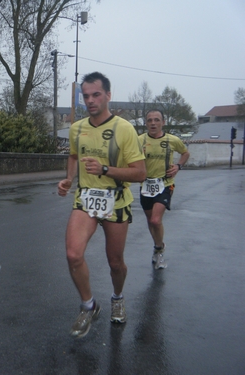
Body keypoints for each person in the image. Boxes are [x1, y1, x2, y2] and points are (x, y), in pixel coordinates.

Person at [57, 72, 146, 338]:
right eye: (86, 96)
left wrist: (105, 168)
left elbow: (140, 173)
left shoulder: (124, 128)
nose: (91, 100)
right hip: (85, 199)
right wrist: (69, 179)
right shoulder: (77, 128)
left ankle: (117, 297)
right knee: (73, 254)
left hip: (116, 200)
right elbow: (73, 155)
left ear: (108, 95)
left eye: (96, 94)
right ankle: (88, 305)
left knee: (115, 262)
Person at [138, 109, 190, 269]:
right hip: (146, 186)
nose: (153, 123)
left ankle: (159, 249)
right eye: (149, 120)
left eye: (156, 120)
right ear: (146, 123)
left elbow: (185, 153)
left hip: (165, 184)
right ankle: (157, 245)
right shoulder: (139, 140)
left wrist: (178, 166)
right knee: (150, 221)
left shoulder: (172, 140)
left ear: (163, 122)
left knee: (155, 219)